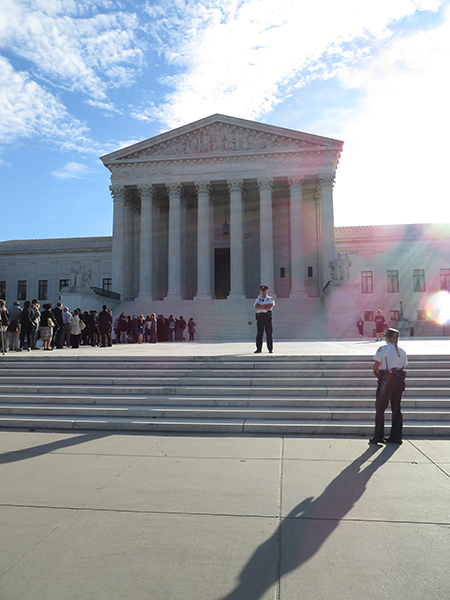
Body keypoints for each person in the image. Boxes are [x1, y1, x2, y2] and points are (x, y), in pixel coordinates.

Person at [370, 328, 408, 445]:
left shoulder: (384, 349)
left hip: (386, 382)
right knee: (396, 409)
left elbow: (375, 366)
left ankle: (378, 437)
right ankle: (396, 437)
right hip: (399, 381)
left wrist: (379, 376)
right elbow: (402, 368)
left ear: (387, 338)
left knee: (380, 408)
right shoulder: (402, 351)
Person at [254, 285, 275, 353]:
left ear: (267, 291)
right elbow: (257, 306)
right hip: (260, 317)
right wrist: (265, 305)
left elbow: (269, 307)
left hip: (267, 317)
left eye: (264, 291)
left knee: (269, 333)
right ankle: (259, 349)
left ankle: (270, 349)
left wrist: (261, 306)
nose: (263, 292)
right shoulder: (258, 299)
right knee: (259, 333)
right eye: (262, 291)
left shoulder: (270, 298)